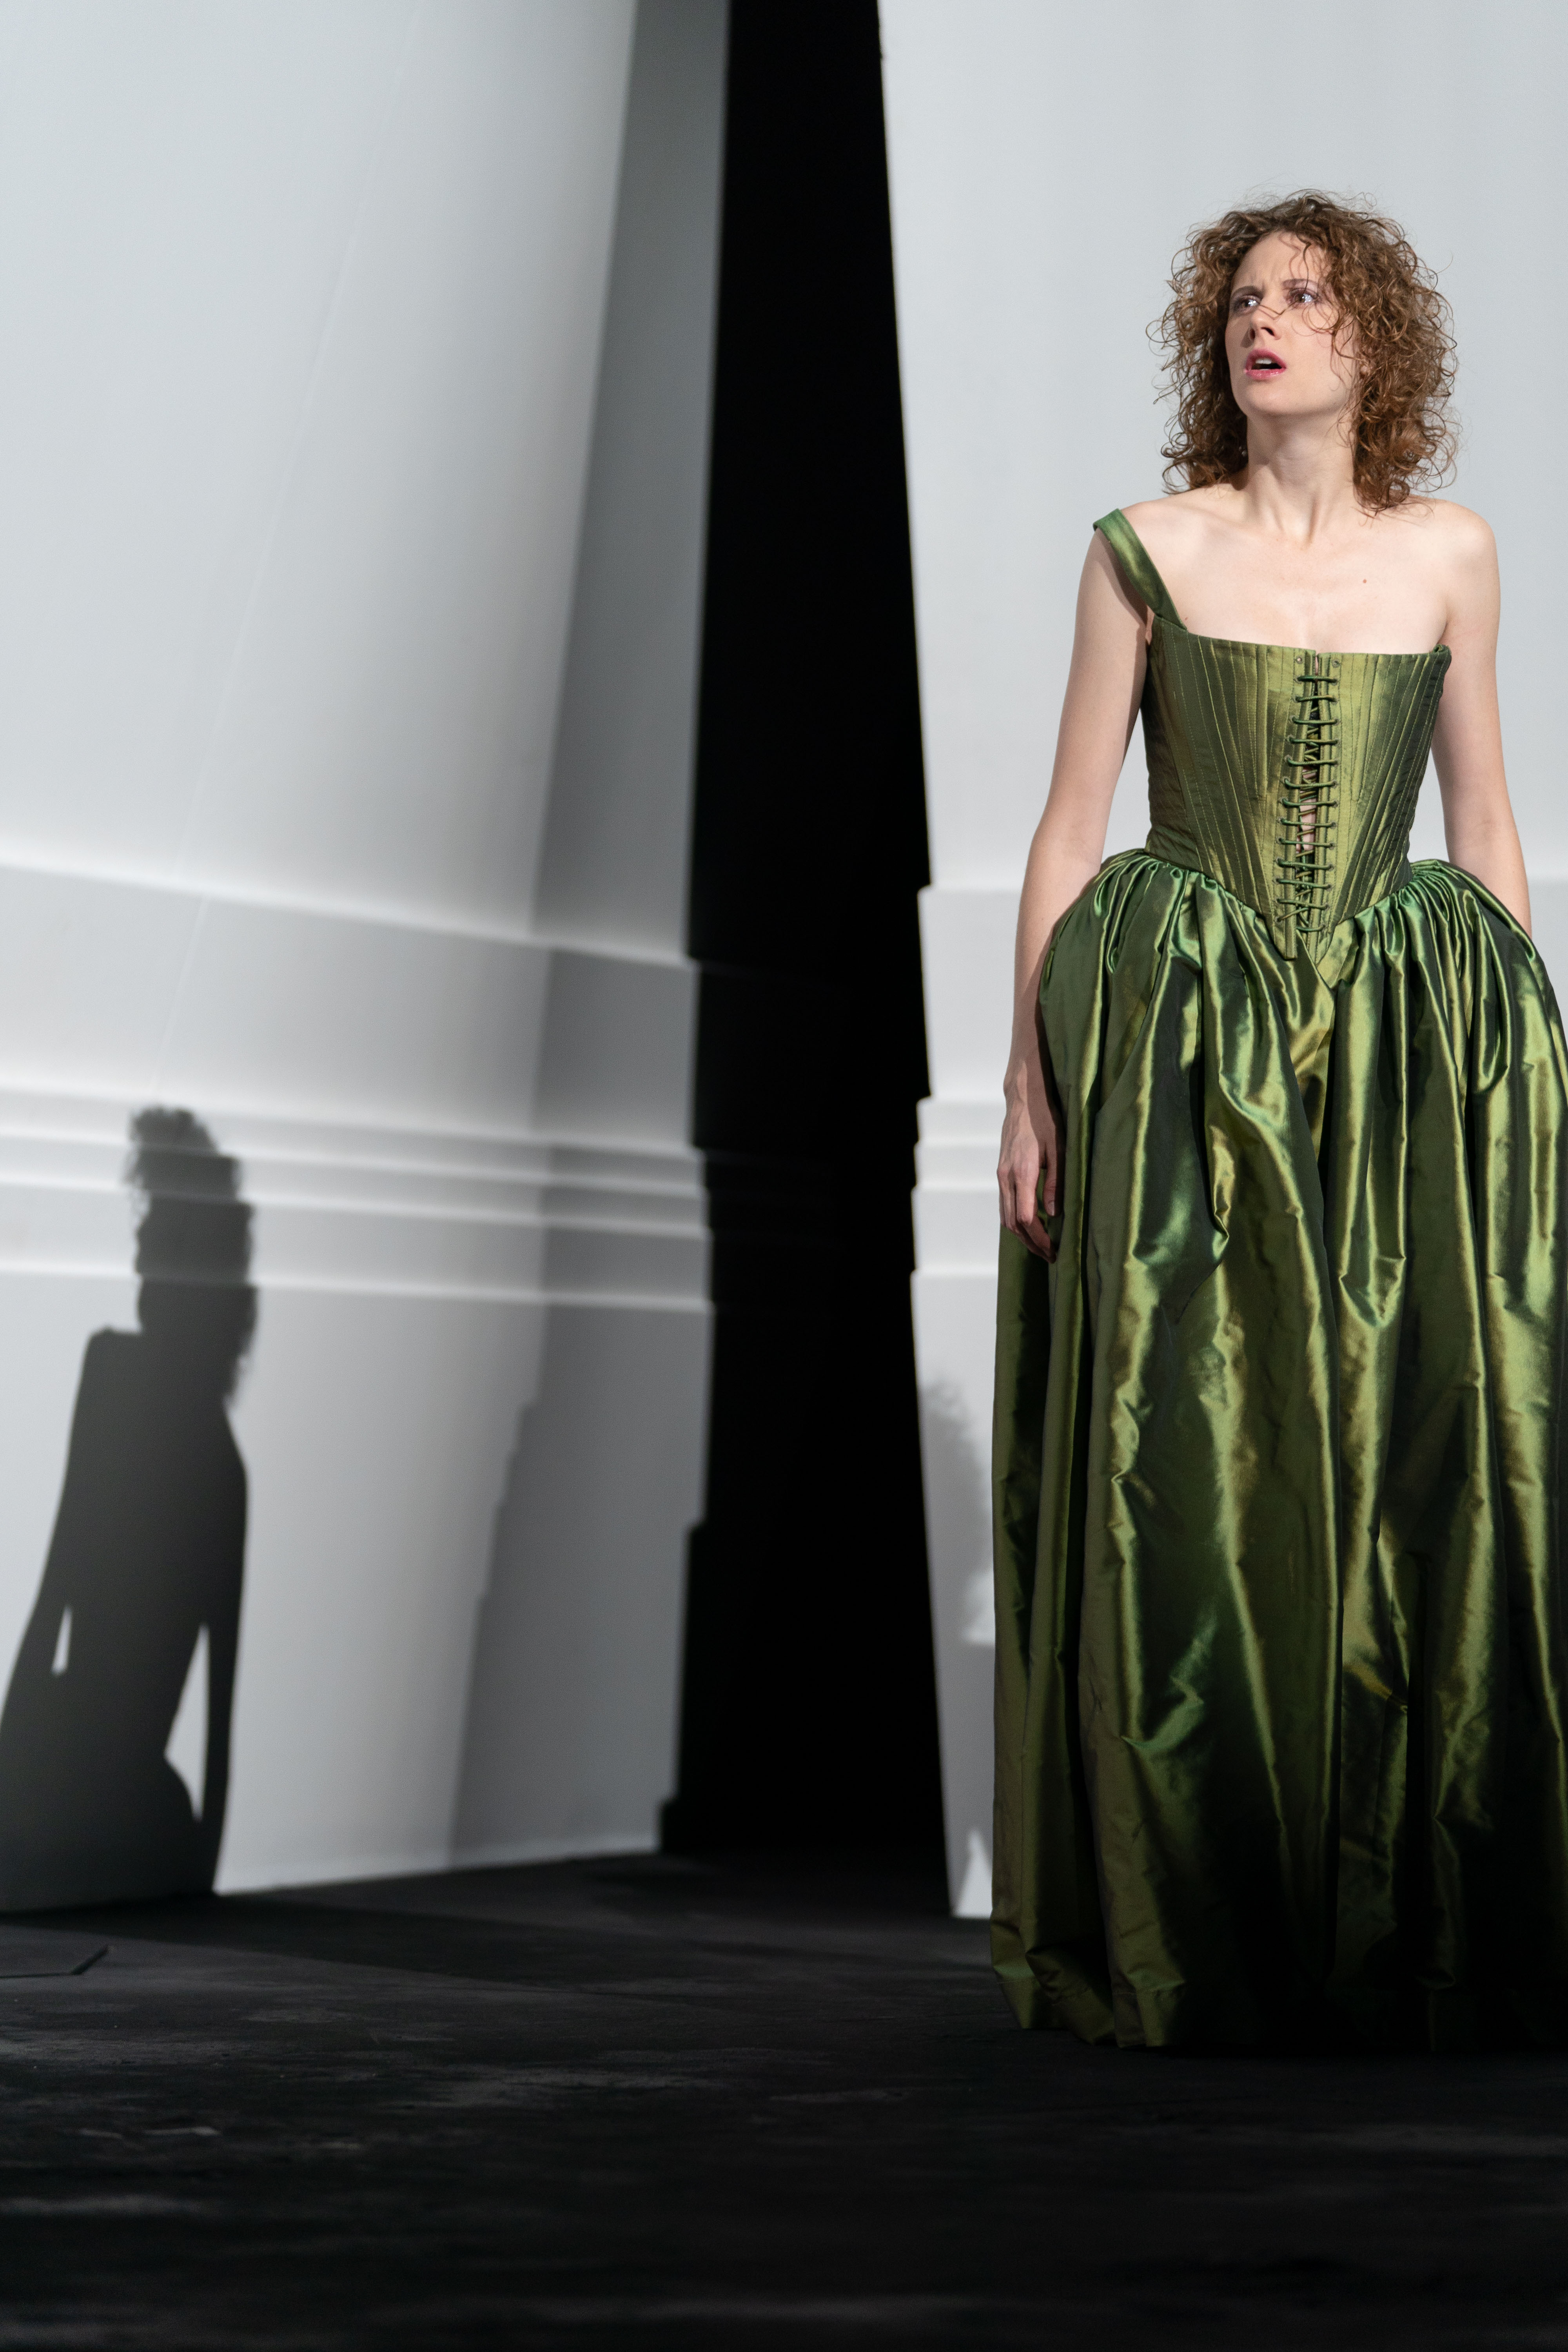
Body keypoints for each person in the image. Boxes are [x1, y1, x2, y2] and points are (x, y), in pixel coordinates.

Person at [992, 191, 1568, 2051]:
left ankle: (1401, 1921)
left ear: (1370, 341)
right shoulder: (1144, 548)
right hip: (1183, 1031)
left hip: (1400, 1035)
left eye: (1308, 296)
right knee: (1189, 1449)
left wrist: (1510, 1072)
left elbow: (1484, 826)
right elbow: (1069, 829)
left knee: (1408, 1449)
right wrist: (1028, 1080)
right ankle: (1200, 1915)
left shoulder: (1452, 553)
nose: (1269, 321)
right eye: (1246, 298)